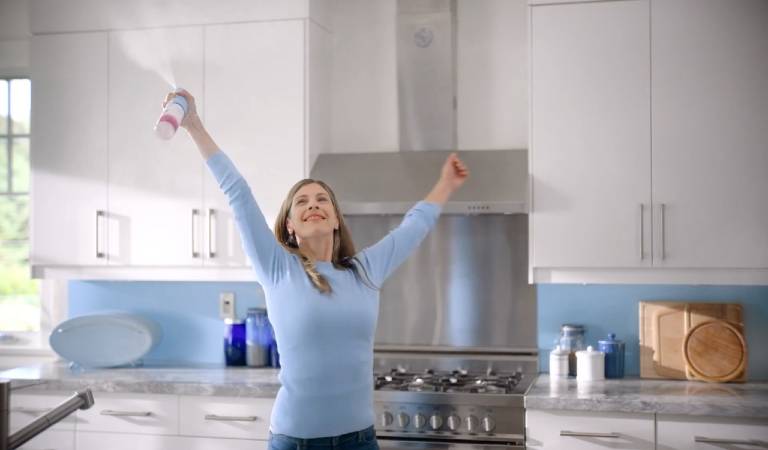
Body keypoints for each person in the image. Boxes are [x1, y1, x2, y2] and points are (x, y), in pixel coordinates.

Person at [164, 89, 469, 450]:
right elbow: (238, 193)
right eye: (302, 202)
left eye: (322, 199)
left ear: (336, 218)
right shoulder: (277, 268)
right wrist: (194, 125)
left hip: (360, 440)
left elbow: (412, 228)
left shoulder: (364, 271)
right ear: (290, 224)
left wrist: (446, 185)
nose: (314, 205)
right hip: (296, 441)